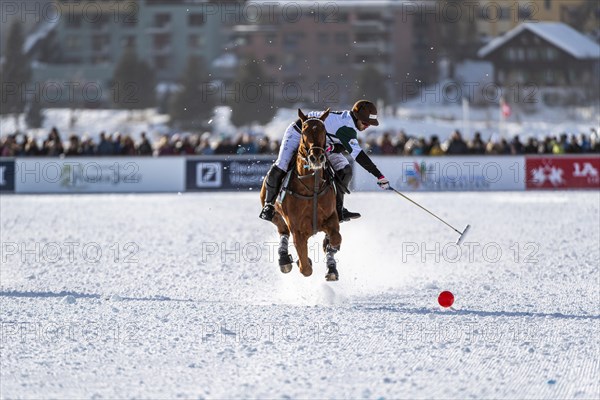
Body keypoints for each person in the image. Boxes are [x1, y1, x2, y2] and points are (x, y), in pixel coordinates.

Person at [259, 100, 390, 223]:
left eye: (369, 124)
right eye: (365, 123)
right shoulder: (347, 127)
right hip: (300, 132)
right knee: (282, 164)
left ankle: (338, 210)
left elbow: (343, 145)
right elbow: (359, 156)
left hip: (322, 141)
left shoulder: (351, 124)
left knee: (345, 170)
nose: (367, 126)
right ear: (356, 117)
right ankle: (269, 205)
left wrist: (332, 147)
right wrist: (379, 176)